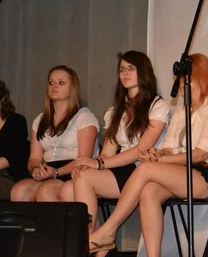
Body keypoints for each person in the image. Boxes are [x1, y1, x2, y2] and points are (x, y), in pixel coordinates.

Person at [86, 53, 208, 257]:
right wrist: (158, 153)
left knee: (145, 169)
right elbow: (170, 147)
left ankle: (108, 231)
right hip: (183, 172)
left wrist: (159, 161)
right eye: (179, 82)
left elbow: (200, 154)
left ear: (200, 79)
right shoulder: (182, 112)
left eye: (184, 82)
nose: (180, 87)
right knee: (149, 191)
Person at [70, 51, 170, 232]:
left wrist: (99, 164)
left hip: (143, 168)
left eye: (131, 68)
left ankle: (91, 239)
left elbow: (141, 150)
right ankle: (92, 239)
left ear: (143, 71)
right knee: (72, 183)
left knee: (83, 179)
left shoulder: (157, 106)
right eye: (122, 69)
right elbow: (107, 152)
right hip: (121, 166)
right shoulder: (115, 111)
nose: (125, 73)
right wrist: (91, 163)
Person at [10, 65, 99, 202]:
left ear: (72, 88)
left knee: (46, 191)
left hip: (74, 171)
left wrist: (56, 172)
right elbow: (34, 158)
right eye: (51, 82)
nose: (54, 86)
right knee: (18, 191)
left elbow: (83, 158)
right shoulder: (40, 120)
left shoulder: (84, 117)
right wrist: (35, 169)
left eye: (61, 83)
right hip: (48, 171)